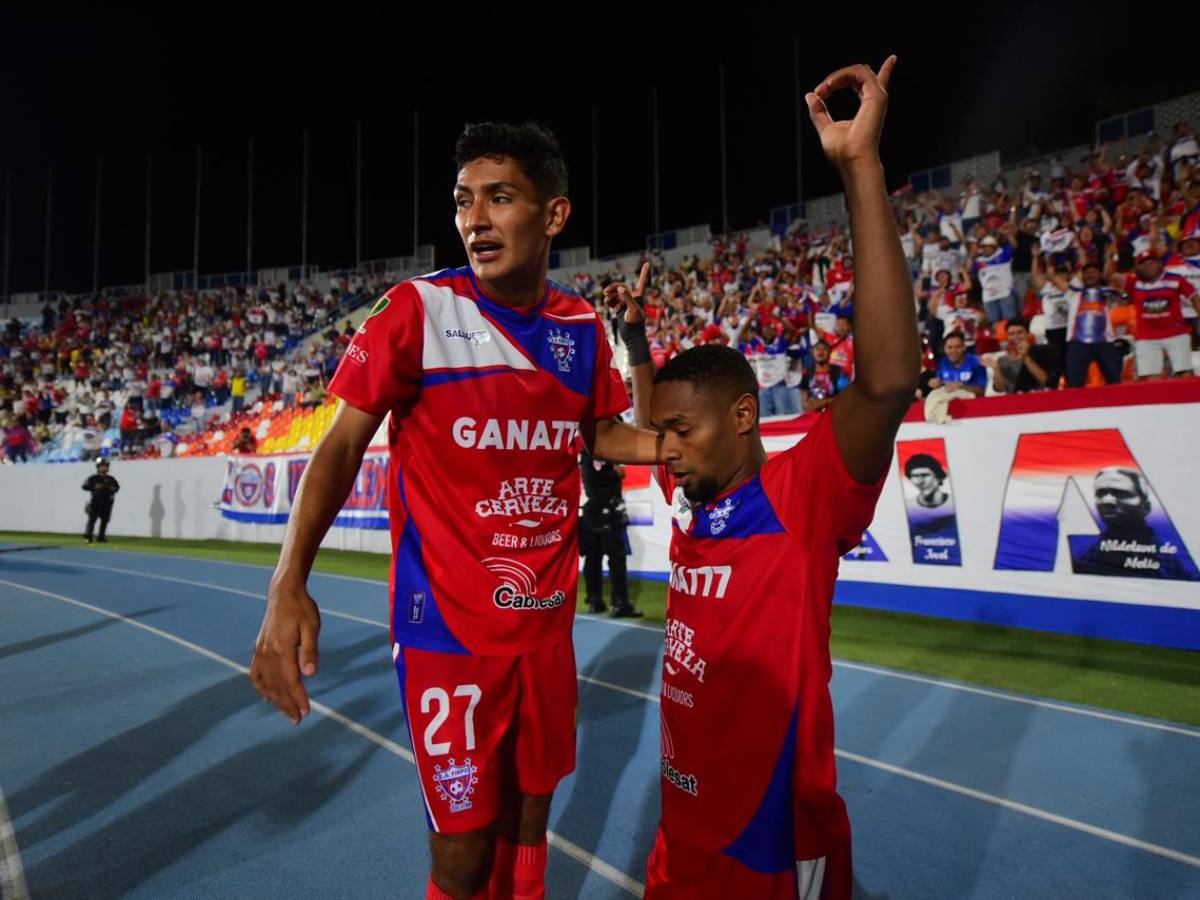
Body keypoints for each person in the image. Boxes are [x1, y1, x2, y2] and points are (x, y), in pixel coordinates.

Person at [250, 122, 658, 900]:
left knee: (532, 818)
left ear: (554, 215)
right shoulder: (418, 311)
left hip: (545, 627)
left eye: (500, 198)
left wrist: (672, 431)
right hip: (447, 631)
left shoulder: (578, 328)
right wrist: (287, 581)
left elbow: (604, 433)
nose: (475, 218)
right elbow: (339, 448)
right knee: (464, 855)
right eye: (465, 200)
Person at [618, 56, 917, 900]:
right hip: (679, 847)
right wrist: (636, 337)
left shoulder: (803, 492)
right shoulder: (691, 497)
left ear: (745, 418)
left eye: (680, 432)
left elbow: (889, 378)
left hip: (775, 847)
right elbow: (650, 415)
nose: (663, 449)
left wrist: (860, 165)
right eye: (662, 433)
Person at [1072, 467, 1194, 581]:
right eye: (1101, 494)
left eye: (1121, 493)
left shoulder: (1175, 563)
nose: (1107, 501)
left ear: (1146, 507)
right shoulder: (1083, 558)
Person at [578, 447, 641, 618]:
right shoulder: (594, 452)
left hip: (597, 512)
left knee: (596, 560)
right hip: (604, 511)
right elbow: (592, 480)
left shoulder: (597, 452)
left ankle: (596, 601)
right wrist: (617, 474)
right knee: (612, 560)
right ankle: (616, 603)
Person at [1121, 248, 1198, 378]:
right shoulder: (1133, 282)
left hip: (1176, 333)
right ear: (1138, 267)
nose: (1147, 266)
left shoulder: (1176, 279)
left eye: (1151, 262)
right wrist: (1109, 254)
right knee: (1150, 377)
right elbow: (1109, 276)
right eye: (1143, 264)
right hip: (1146, 336)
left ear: (1160, 263)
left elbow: (1194, 297)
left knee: (1184, 372)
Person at [987, 317, 1060, 393]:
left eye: (1020, 332)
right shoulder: (1004, 360)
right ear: (1007, 337)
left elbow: (1048, 383)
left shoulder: (1043, 351)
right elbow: (1000, 389)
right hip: (1016, 401)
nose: (1016, 337)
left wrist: (1025, 357)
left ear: (1028, 334)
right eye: (1011, 334)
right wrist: (996, 368)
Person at [930, 331, 986, 397]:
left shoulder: (976, 362)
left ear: (964, 347)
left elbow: (982, 390)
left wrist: (961, 386)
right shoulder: (942, 363)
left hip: (972, 403)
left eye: (957, 347)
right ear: (944, 349)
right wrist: (935, 384)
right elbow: (940, 384)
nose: (953, 351)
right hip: (948, 401)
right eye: (949, 347)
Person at [82, 458, 120, 543]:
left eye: (105, 466)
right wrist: (94, 487)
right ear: (98, 467)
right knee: (92, 519)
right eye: (102, 466)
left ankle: (101, 536)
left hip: (107, 502)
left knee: (105, 520)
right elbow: (85, 486)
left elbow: (117, 487)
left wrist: (112, 488)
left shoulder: (111, 479)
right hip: (96, 501)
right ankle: (88, 536)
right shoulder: (93, 478)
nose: (104, 468)